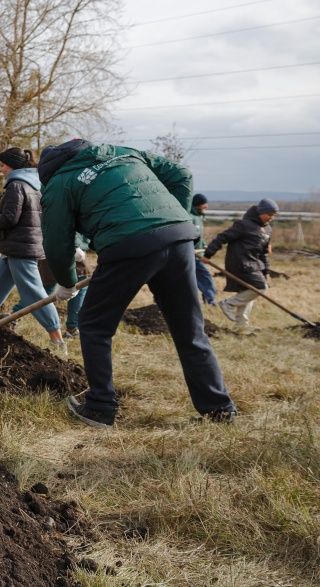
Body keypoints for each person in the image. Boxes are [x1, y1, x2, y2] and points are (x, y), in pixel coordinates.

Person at [39, 139, 237, 428]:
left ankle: (99, 408)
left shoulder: (59, 182)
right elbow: (182, 174)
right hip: (178, 238)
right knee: (190, 330)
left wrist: (67, 282)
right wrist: (171, 220)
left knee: (94, 325)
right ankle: (219, 410)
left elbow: (57, 242)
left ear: (47, 171)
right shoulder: (122, 153)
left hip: (126, 244)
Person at [0, 148, 66, 354]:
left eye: (2, 165)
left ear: (12, 166)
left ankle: (58, 340)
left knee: (34, 294)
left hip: (21, 248)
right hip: (16, 247)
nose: (0, 170)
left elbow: (9, 219)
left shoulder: (16, 185)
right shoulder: (34, 184)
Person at [203, 198, 278, 332]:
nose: (271, 218)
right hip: (239, 263)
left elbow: (264, 253)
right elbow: (222, 237)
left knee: (248, 292)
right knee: (260, 288)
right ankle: (228, 304)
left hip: (254, 264)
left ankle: (241, 325)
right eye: (269, 214)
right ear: (260, 212)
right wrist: (208, 254)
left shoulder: (267, 230)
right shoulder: (243, 225)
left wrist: (266, 272)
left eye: (273, 215)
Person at [190, 193, 217, 305]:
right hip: (190, 254)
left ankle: (208, 299)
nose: (206, 207)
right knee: (204, 276)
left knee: (203, 277)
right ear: (197, 205)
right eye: (204, 204)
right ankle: (210, 300)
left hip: (197, 254)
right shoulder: (190, 217)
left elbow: (198, 237)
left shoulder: (199, 218)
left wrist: (204, 245)